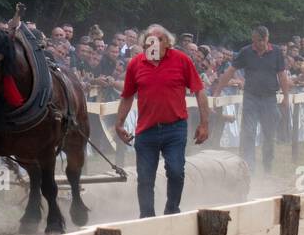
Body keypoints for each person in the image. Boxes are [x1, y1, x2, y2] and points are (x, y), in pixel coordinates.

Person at [115, 23, 209, 219]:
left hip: (175, 127)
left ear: (168, 43)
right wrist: (119, 124)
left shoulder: (182, 60)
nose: (153, 44)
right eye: (149, 40)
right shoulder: (135, 64)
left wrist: (204, 123)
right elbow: (127, 96)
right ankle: (147, 218)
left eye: (158, 40)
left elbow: (199, 90)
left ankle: (172, 210)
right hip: (146, 129)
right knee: (145, 178)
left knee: (176, 171)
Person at [211, 26, 291, 176]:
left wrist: (286, 97)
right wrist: (217, 91)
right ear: (253, 39)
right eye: (256, 41)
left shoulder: (277, 52)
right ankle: (250, 169)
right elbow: (230, 71)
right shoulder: (246, 52)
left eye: (262, 40)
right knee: (248, 133)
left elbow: (282, 75)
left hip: (269, 99)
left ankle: (267, 166)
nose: (259, 44)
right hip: (251, 98)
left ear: (267, 38)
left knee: (268, 135)